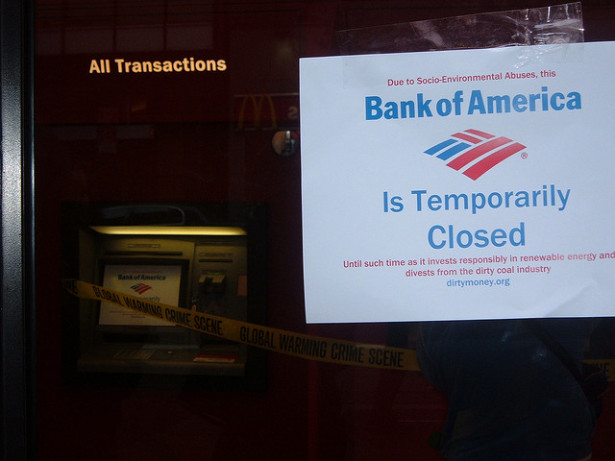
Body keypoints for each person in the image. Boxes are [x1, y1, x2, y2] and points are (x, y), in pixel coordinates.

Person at [417, 318, 598, 461]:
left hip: (477, 444)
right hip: (561, 443)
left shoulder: (446, 312)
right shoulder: (567, 298)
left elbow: (435, 373)